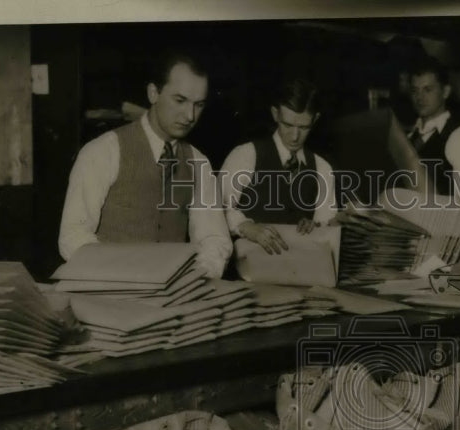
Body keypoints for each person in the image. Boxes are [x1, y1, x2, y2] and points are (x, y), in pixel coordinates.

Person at [58, 50, 232, 278]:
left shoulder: (198, 163)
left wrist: (196, 274)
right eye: (179, 100)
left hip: (170, 298)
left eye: (198, 105)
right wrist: (124, 273)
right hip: (108, 293)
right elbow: (72, 235)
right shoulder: (103, 151)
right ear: (153, 93)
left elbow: (214, 238)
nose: (190, 115)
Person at [218, 78, 337, 254]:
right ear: (275, 114)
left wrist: (317, 227)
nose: (295, 136)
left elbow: (328, 230)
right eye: (288, 125)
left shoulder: (323, 169)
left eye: (304, 127)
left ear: (315, 119)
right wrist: (244, 226)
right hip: (247, 272)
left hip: (300, 271)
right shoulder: (245, 155)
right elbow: (215, 212)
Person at [407, 57, 460, 201]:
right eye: (415, 90)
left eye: (428, 90)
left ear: (445, 92)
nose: (419, 97)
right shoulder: (409, 138)